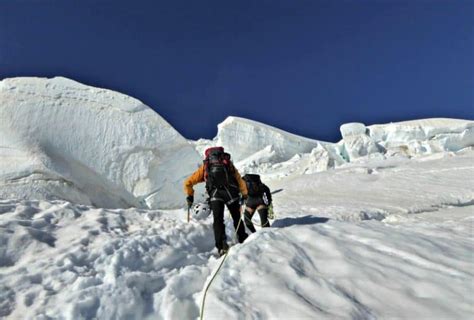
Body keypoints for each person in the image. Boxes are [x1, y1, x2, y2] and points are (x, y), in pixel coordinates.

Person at [184, 147, 248, 256]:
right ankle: (243, 239)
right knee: (236, 217)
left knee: (218, 220)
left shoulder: (206, 166)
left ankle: (221, 246)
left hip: (215, 194)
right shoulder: (227, 163)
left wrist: (190, 195)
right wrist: (244, 193)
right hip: (231, 193)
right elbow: (239, 180)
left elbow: (188, 182)